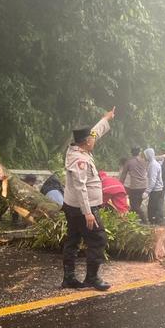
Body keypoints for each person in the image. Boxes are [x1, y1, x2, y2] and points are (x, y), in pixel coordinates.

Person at [62, 107, 115, 291]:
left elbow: (94, 133)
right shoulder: (79, 160)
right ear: (85, 142)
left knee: (73, 240)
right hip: (82, 208)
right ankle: (92, 278)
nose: (94, 140)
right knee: (98, 239)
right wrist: (88, 213)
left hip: (72, 206)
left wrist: (105, 119)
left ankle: (68, 278)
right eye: (91, 140)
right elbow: (80, 187)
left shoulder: (79, 149)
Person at [119, 147, 148, 222]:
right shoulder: (144, 161)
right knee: (136, 205)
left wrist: (120, 185)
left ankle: (145, 220)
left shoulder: (129, 162)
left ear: (131, 153)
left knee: (134, 205)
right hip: (144, 186)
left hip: (135, 187)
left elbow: (123, 175)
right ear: (139, 152)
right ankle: (131, 221)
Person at [143, 148, 164, 224]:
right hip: (158, 190)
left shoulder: (153, 165)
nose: (144, 157)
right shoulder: (154, 163)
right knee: (156, 208)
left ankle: (155, 225)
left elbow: (152, 180)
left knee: (152, 209)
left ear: (148, 155)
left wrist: (147, 191)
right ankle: (157, 223)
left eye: (145, 155)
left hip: (155, 190)